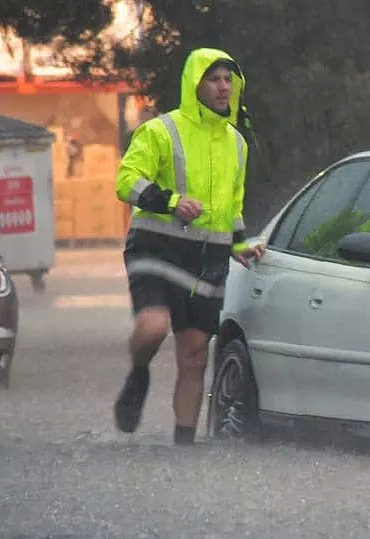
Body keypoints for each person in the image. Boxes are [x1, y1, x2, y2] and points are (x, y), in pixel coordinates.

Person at [112, 47, 264, 444]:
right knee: (153, 327)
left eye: (229, 80)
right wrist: (172, 201)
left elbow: (232, 206)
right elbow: (126, 181)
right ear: (195, 84)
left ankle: (184, 449)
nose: (223, 87)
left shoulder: (237, 143)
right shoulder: (161, 130)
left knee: (195, 355)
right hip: (156, 249)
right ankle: (138, 371)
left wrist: (239, 244)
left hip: (208, 260)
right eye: (214, 79)